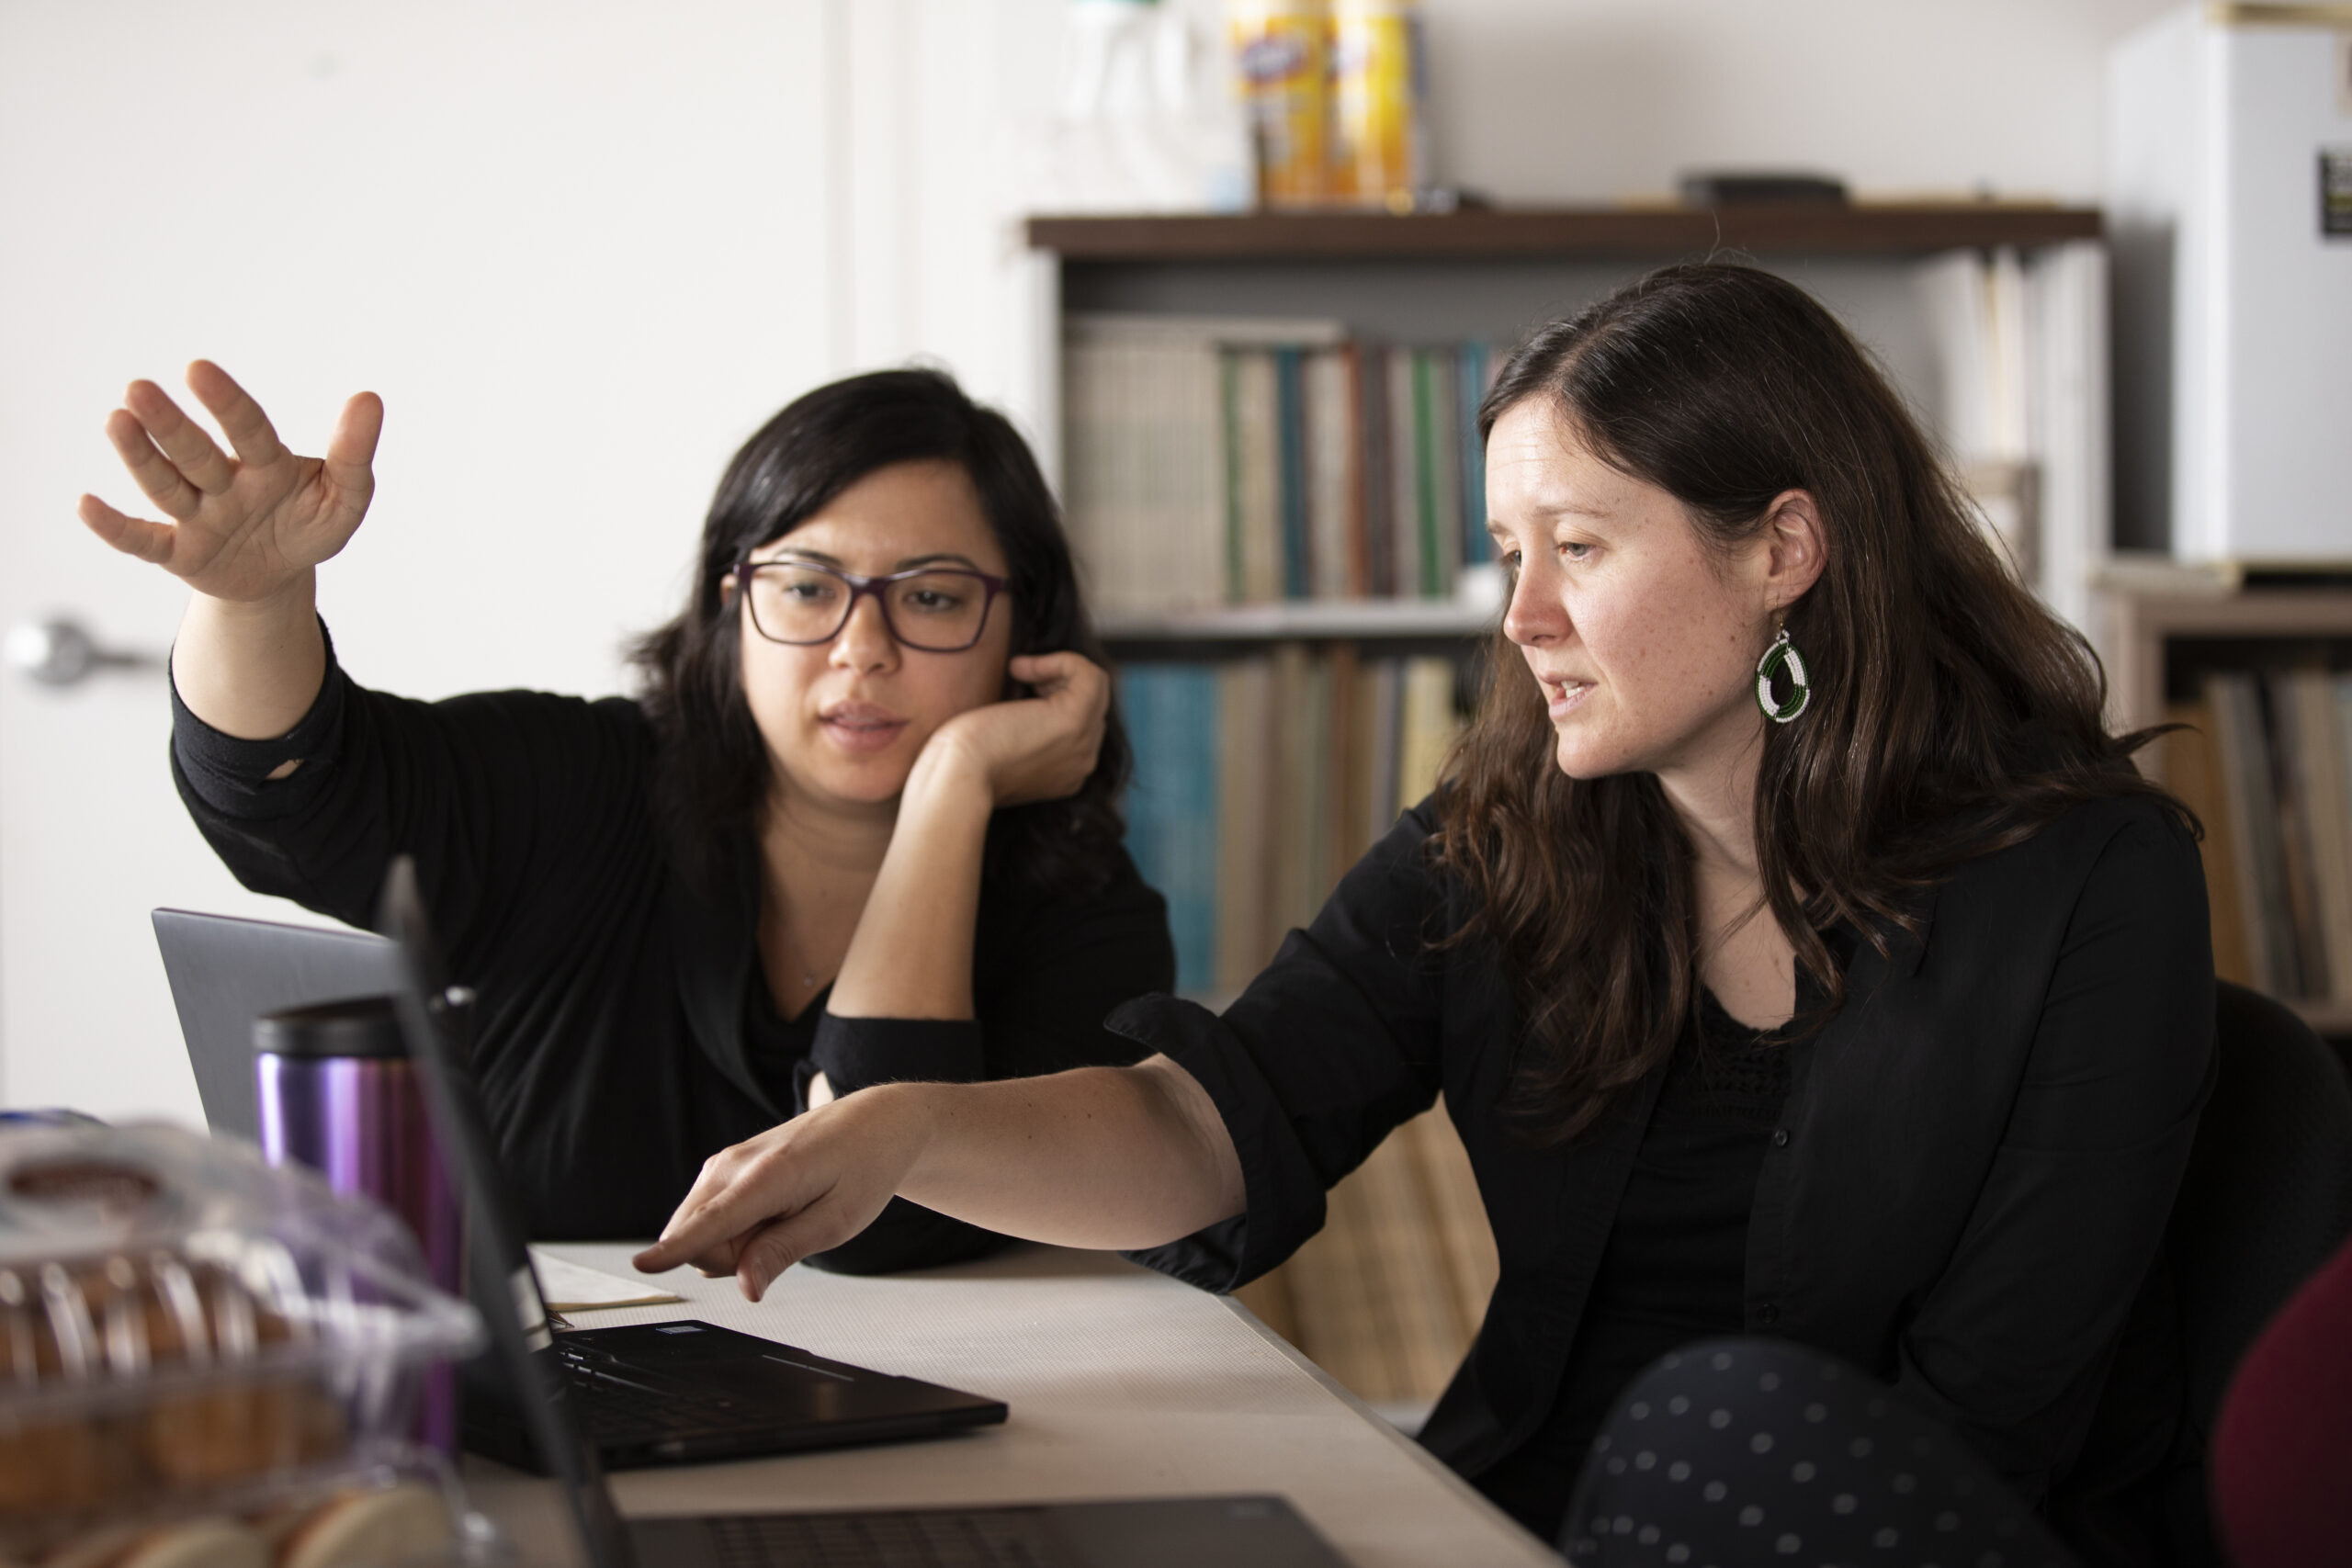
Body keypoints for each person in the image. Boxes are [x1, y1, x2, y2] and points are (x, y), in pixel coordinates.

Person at [631, 264, 2216, 1563]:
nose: (1521, 617)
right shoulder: (1508, 834)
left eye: (1579, 548)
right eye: (1509, 552)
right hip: (1522, 1524)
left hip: (1896, 1539)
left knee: (1731, 1416)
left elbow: (1984, 1423)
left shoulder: (2090, 885)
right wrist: (909, 1128)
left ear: (1782, 550)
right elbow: (1218, 1124)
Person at [82, 362, 1175, 1270]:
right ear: (727, 604)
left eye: (932, 597)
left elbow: (887, 1228)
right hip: (553, 1420)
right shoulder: (584, 785)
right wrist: (255, 599)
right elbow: (298, 796)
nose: (862, 647)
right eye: (806, 585)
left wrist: (952, 794)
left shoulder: (1083, 913)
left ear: (1020, 627)